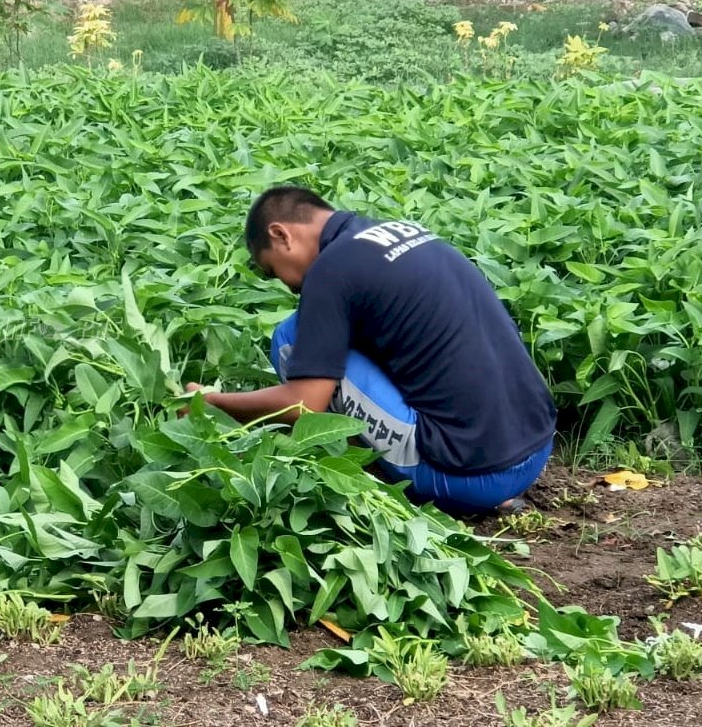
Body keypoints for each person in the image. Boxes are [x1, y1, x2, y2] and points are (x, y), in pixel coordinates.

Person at [186, 186, 558, 515]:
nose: (286, 286)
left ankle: (361, 477)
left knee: (292, 338)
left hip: (469, 479)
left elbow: (304, 404)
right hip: (537, 450)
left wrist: (215, 403)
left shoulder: (330, 270)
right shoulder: (404, 232)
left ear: (281, 234)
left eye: (271, 271)